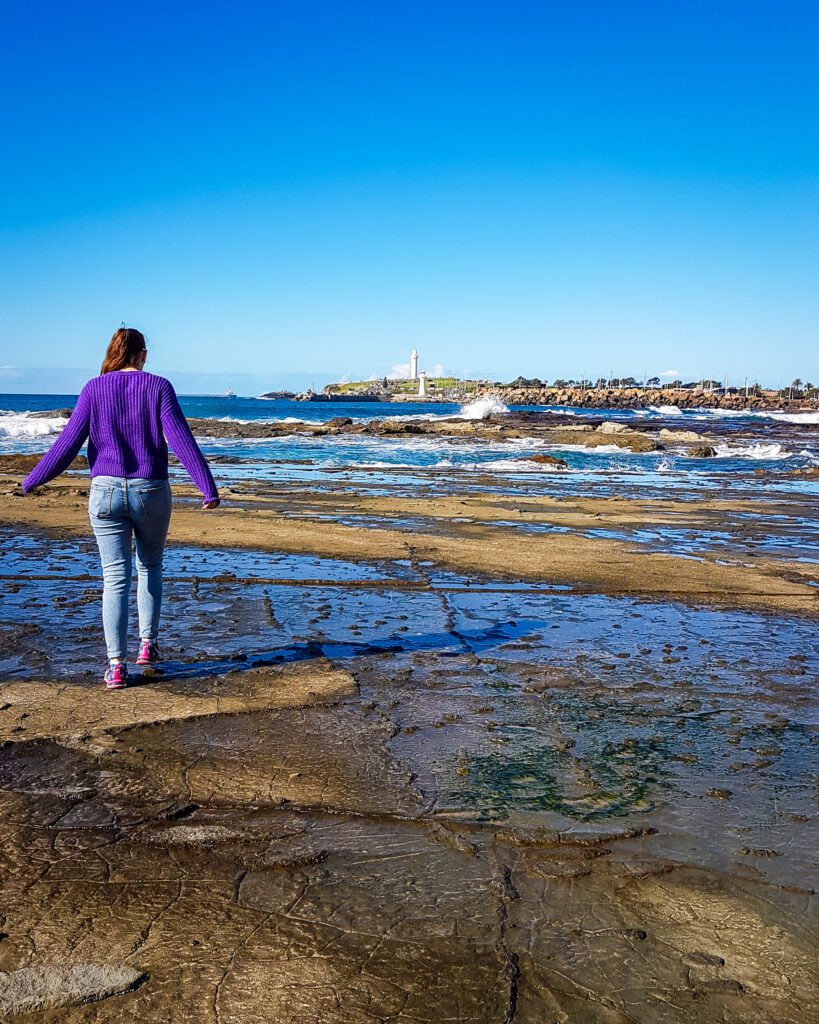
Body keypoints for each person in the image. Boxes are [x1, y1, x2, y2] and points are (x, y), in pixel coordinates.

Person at [22, 327, 220, 689]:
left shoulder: (93, 389)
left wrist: (33, 480)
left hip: (105, 492)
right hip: (151, 490)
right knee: (150, 565)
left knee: (114, 577)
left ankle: (115, 666)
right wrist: (207, 488)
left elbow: (66, 445)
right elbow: (180, 439)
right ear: (142, 354)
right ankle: (147, 646)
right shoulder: (158, 386)